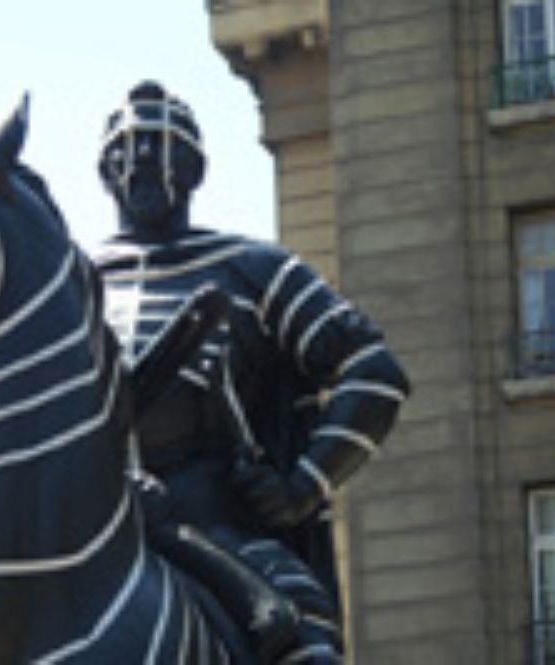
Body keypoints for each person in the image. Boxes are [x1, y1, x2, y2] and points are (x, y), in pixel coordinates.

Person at [92, 81, 410, 661]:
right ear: (104, 169)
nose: (144, 158)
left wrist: (301, 487)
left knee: (306, 646)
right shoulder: (73, 289)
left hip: (221, 524)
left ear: (195, 168)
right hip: (92, 532)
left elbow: (373, 369)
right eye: (129, 147)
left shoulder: (254, 268)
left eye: (161, 145)